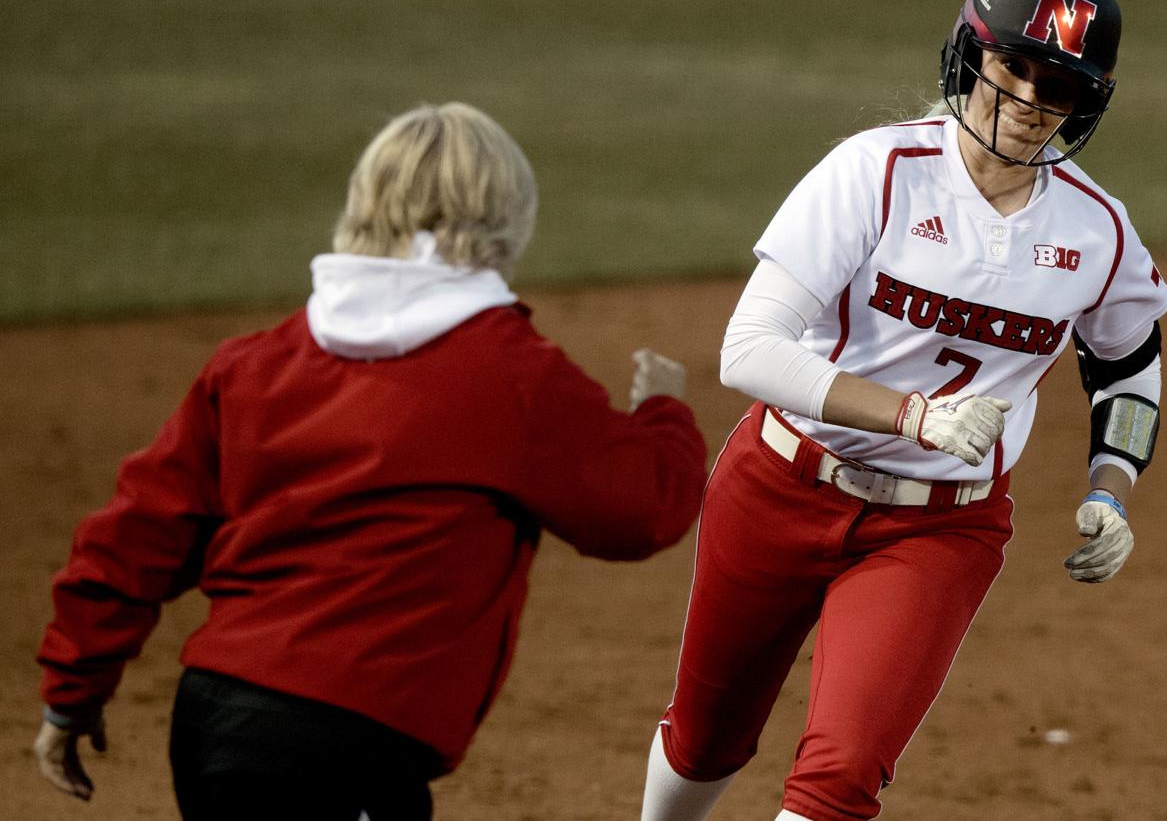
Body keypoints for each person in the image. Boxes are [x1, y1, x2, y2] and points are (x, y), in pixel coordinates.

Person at [34, 101, 708, 820]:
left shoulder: (257, 361)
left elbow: (139, 531)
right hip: (346, 742)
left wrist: (72, 693)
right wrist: (663, 411)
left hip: (214, 720)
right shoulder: (513, 375)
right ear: (507, 217)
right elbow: (642, 510)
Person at [639, 0, 1167, 821]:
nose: (1031, 101)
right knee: (706, 734)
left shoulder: (1099, 230)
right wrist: (914, 416)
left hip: (940, 525)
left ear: (1088, 104)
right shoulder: (877, 171)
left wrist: (1113, 485)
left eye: (1060, 87)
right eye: (1014, 66)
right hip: (779, 485)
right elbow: (748, 350)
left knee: (840, 778)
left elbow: (1128, 357)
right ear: (973, 57)